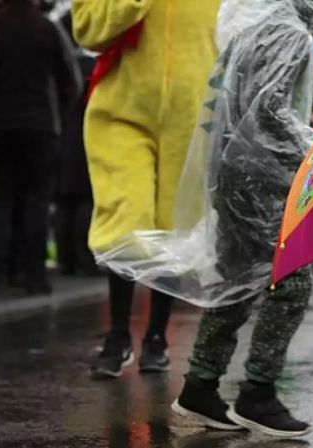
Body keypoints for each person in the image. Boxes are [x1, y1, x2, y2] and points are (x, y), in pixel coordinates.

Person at [168, 0, 313, 437]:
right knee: (291, 281)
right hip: (259, 173)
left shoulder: (256, 26)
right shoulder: (287, 31)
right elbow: (269, 107)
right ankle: (259, 392)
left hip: (232, 169)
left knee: (237, 280)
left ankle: (201, 382)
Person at [71, 0, 219, 378]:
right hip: (123, 111)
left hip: (191, 113)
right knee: (126, 219)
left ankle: (156, 336)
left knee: (174, 227)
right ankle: (119, 335)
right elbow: (87, 30)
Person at [0, 0, 81, 295]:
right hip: (41, 128)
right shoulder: (49, 29)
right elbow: (73, 81)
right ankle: (34, 276)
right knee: (36, 202)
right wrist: (59, 119)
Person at [53, 12, 96, 277]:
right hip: (86, 139)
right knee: (85, 201)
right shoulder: (92, 67)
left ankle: (65, 260)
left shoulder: (61, 66)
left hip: (61, 138)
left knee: (63, 202)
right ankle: (85, 258)